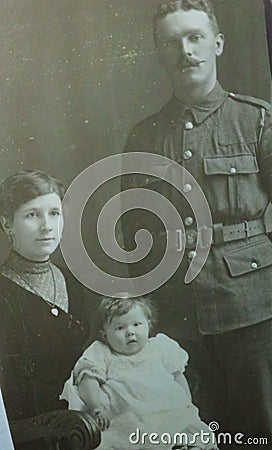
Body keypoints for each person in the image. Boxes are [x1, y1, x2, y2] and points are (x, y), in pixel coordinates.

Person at [121, 1, 272, 447]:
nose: (185, 50)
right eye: (171, 42)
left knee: (260, 429)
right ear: (159, 54)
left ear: (218, 44)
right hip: (178, 313)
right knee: (195, 432)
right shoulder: (143, 137)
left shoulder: (258, 119)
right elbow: (135, 234)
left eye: (195, 37)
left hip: (256, 309)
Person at [0, 170, 90, 449]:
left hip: (87, 421)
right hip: (35, 435)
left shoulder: (73, 283)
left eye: (54, 213)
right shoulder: (4, 295)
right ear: (6, 224)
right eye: (32, 215)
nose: (47, 226)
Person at [61, 295, 217, 450]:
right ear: (104, 334)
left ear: (148, 325)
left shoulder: (160, 347)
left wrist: (187, 405)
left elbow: (177, 377)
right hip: (128, 417)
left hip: (166, 412)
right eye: (120, 328)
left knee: (189, 431)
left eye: (137, 324)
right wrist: (97, 408)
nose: (130, 332)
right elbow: (87, 381)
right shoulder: (102, 352)